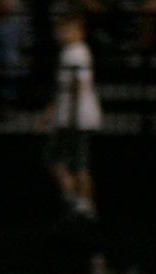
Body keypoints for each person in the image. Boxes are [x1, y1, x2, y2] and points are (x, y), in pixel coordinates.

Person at [42, 13, 101, 220]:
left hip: (76, 119)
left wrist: (73, 118)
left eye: (68, 29)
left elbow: (79, 85)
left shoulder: (77, 53)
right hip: (68, 118)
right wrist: (52, 111)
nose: (63, 33)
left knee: (78, 163)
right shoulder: (69, 52)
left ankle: (83, 203)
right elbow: (64, 88)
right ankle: (74, 198)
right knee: (61, 160)